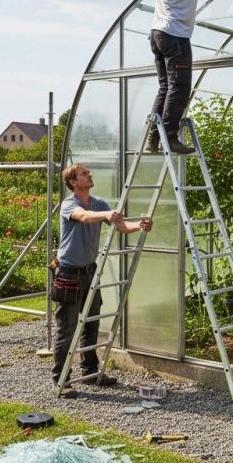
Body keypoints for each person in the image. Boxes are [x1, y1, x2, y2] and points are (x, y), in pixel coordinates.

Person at [52, 163, 153, 398]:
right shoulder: (69, 204)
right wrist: (105, 215)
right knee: (67, 327)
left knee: (92, 323)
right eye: (84, 174)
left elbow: (120, 226)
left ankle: (90, 371)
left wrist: (139, 226)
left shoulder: (98, 202)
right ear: (73, 182)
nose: (89, 175)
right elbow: (83, 217)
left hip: (90, 273)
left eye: (88, 172)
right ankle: (61, 380)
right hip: (68, 274)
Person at [147, 0, 233, 155]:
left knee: (165, 87)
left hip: (158, 34)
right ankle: (170, 137)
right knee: (179, 87)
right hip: (175, 37)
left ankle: (153, 139)